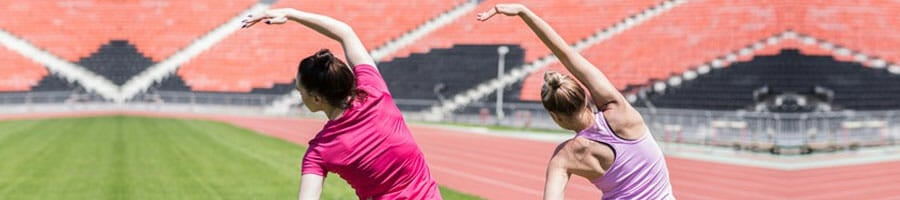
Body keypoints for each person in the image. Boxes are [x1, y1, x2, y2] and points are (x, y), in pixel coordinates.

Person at [477, 4, 674, 200]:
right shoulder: (620, 113)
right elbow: (566, 54)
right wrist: (524, 12)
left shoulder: (564, 157)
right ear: (585, 95)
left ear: (555, 116)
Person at [242, 8, 442, 200]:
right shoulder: (374, 91)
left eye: (300, 91)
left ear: (317, 98)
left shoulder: (319, 151)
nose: (299, 95)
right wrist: (291, 13)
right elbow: (345, 32)